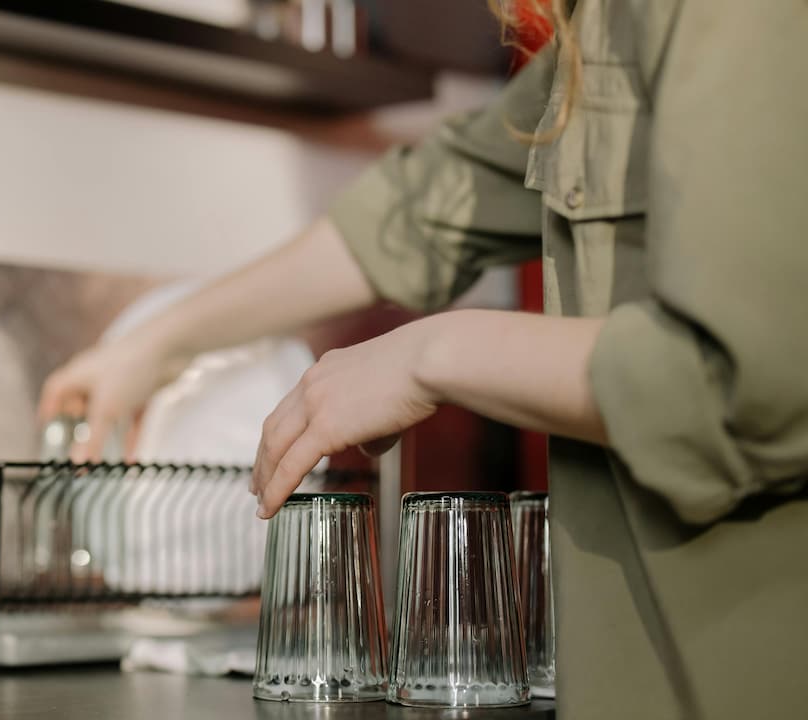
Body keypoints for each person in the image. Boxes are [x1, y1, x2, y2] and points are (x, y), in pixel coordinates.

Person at [39, 1, 807, 716]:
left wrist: (431, 354)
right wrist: (160, 342)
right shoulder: (597, 24)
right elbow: (429, 206)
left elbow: (748, 376)